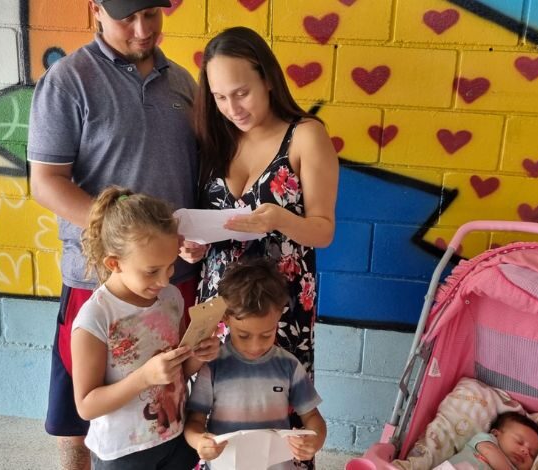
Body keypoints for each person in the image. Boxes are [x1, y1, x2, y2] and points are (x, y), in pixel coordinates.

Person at [27, 0, 199, 468]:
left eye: (152, 14)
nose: (143, 30)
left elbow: (197, 178)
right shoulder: (67, 81)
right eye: (127, 17)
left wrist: (199, 230)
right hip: (98, 280)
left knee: (169, 395)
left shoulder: (184, 83)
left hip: (174, 277)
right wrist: (124, 234)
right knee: (78, 415)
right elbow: (46, 182)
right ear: (95, 10)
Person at [180, 28, 338, 466]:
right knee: (216, 403)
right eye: (220, 97)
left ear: (268, 78)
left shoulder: (306, 136)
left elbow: (323, 230)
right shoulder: (216, 137)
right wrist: (192, 248)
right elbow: (206, 221)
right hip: (219, 298)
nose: (233, 108)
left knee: (282, 405)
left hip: (278, 299)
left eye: (242, 92)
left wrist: (279, 220)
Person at [71, 186, 220, 469]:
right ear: (114, 263)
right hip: (123, 452)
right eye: (152, 271)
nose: (164, 280)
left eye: (170, 267)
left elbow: (177, 371)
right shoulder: (96, 317)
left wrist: (198, 357)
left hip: (174, 438)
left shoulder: (171, 298)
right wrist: (143, 378)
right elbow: (86, 405)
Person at [184, 258, 327, 469]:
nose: (254, 346)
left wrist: (314, 441)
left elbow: (313, 417)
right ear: (226, 318)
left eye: (266, 334)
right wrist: (199, 442)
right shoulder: (212, 366)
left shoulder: (288, 366)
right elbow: (194, 422)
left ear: (279, 314)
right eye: (243, 335)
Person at [436, 412, 538, 470]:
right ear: (496, 434)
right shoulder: (488, 441)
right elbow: (488, 451)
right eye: (519, 441)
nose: (525, 451)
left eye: (532, 454)